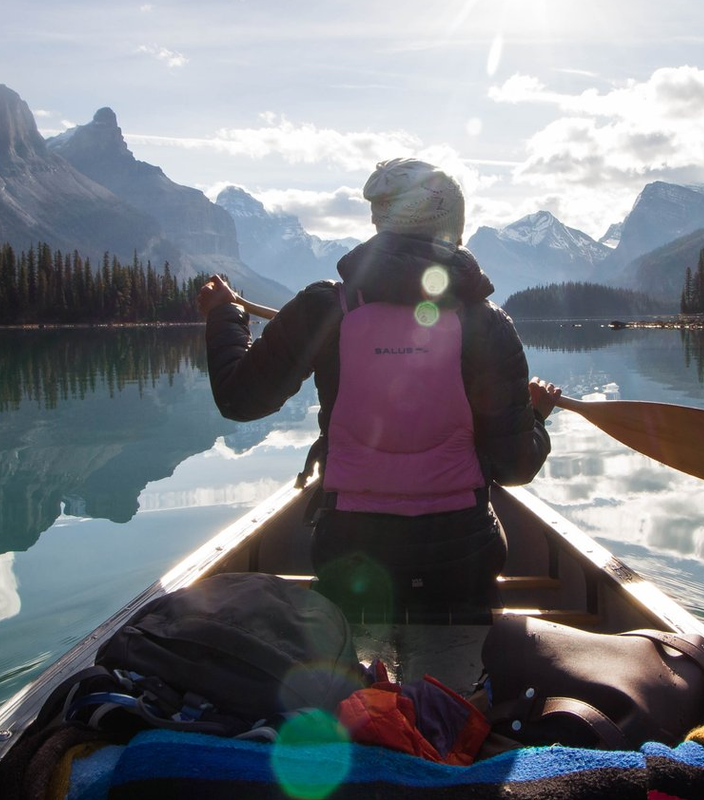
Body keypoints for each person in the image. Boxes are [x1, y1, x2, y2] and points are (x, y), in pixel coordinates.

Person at [196, 158, 560, 617]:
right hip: (462, 555)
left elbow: (239, 400)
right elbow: (515, 467)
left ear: (380, 221)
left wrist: (225, 315)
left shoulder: (323, 307)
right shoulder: (487, 325)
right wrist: (538, 417)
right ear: (452, 224)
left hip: (350, 550)